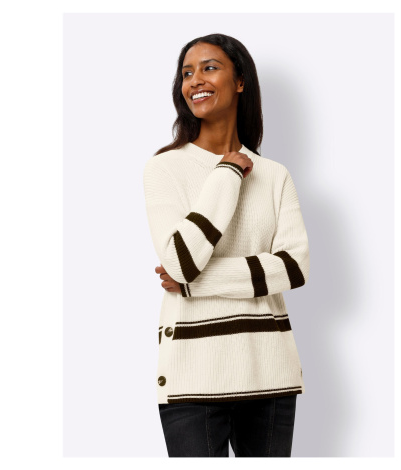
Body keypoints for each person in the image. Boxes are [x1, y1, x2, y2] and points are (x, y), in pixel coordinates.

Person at [143, 33, 310, 457]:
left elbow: (293, 268)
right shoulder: (164, 168)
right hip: (192, 376)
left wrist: (196, 283)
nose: (195, 80)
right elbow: (181, 261)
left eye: (209, 67)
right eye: (187, 73)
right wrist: (228, 174)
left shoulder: (275, 175)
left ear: (240, 81)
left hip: (269, 372)